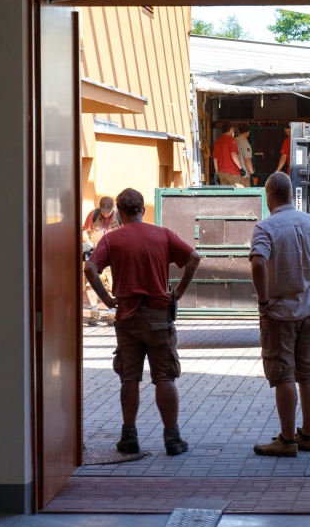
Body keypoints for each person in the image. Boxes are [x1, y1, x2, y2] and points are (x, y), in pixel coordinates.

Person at [84, 187, 202, 457]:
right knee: (164, 376)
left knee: (129, 377)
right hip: (159, 316)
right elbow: (193, 258)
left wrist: (106, 299)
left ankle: (129, 437)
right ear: (143, 210)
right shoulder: (162, 234)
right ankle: (172, 438)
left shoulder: (112, 240)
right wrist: (179, 292)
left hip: (127, 316)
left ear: (120, 213)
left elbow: (90, 267)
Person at [249, 173, 310, 456]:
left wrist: (264, 300)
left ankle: (287, 440)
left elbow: (257, 264)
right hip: (308, 310)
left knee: (283, 376)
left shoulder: (265, 228)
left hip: (278, 314)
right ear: (291, 194)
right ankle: (309, 435)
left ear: (269, 197)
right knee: (307, 373)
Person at [82, 196, 121, 325]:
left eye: (107, 211)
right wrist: (88, 243)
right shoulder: (93, 214)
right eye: (103, 211)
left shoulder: (120, 216)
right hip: (95, 254)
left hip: (113, 256)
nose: (105, 213)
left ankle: (111, 312)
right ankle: (94, 311)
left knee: (112, 283)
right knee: (90, 282)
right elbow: (85, 231)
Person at [212, 122, 246, 186]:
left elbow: (215, 159)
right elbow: (234, 155)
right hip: (233, 172)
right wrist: (241, 168)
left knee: (226, 194)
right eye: (233, 129)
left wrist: (217, 172)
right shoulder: (231, 140)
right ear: (231, 129)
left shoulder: (217, 142)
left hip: (222, 173)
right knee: (239, 193)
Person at [235, 123, 254, 187]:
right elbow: (247, 160)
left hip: (233, 173)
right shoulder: (245, 143)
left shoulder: (234, 140)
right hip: (243, 175)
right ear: (248, 132)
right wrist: (252, 173)